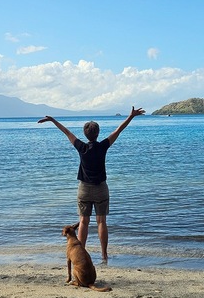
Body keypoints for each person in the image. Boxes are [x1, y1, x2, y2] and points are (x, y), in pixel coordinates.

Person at [38, 106, 145, 262]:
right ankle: (104, 255)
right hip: (101, 188)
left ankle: (80, 254)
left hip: (84, 189)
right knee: (101, 222)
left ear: (85, 134)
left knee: (83, 222)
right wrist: (131, 116)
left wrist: (53, 120)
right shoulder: (102, 146)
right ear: (98, 134)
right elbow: (118, 131)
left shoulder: (81, 147)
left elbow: (67, 132)